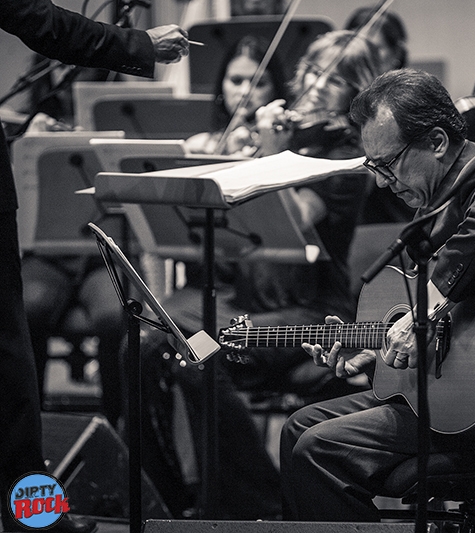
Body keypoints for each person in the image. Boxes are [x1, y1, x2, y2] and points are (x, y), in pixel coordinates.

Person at [280, 68, 475, 522]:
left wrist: (424, 315)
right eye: (371, 167)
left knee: (319, 450)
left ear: (436, 142)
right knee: (299, 426)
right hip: (454, 393)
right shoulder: (434, 201)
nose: (379, 182)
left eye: (387, 164)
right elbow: (452, 330)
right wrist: (375, 354)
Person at [138, 30, 382, 519]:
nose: (315, 85)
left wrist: (273, 154)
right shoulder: (289, 138)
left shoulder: (349, 158)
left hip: (310, 310)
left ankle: (257, 501)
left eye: (332, 78)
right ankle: (169, 494)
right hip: (244, 301)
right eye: (311, 71)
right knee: (143, 343)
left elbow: (292, 221)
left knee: (201, 357)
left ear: (356, 90)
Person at [0, 2, 188, 532]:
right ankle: (31, 513)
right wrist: (138, 45)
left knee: (106, 320)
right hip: (51, 255)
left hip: (97, 255)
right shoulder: (42, 86)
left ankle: (118, 452)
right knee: (12, 346)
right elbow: (38, 20)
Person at [344, 6, 414, 224]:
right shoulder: (342, 102)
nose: (363, 55)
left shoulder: (408, 100)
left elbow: (368, 180)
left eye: (375, 47)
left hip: (394, 221)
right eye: (356, 46)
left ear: (396, 54)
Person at [184, 34, 286, 157]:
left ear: (275, 88)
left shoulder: (287, 146)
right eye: (236, 80)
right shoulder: (198, 147)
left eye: (259, 83)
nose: (245, 91)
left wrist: (271, 148)